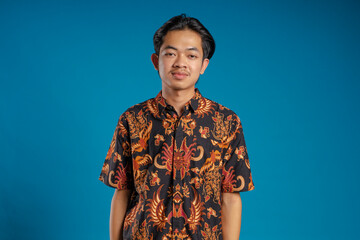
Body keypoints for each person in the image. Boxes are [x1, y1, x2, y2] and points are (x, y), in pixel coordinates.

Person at [99, 14, 254, 240]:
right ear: (156, 61)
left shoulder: (226, 122)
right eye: (170, 53)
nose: (180, 63)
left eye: (191, 55)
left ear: (203, 65)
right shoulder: (132, 119)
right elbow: (122, 191)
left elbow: (230, 197)